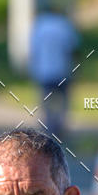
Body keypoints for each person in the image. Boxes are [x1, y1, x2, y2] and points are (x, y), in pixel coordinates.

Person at [29, 7, 78, 139]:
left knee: (46, 100)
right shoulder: (64, 25)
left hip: (44, 70)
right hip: (62, 69)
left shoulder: (39, 25)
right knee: (63, 100)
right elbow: (72, 47)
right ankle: (60, 125)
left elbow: (34, 50)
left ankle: (49, 126)